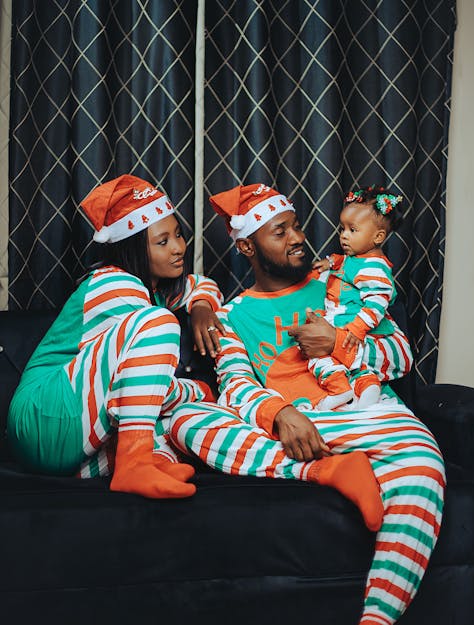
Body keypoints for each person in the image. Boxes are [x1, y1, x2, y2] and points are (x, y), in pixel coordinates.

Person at [168, 183, 445, 625]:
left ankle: (376, 619)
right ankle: (328, 468)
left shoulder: (342, 282)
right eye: (280, 232)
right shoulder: (231, 317)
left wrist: (338, 341)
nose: (298, 237)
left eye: (296, 226)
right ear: (246, 246)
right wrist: (281, 414)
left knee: (425, 466)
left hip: (366, 415)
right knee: (183, 418)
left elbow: (401, 355)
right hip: (298, 431)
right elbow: (236, 387)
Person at [7, 174, 225, 499]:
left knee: (182, 427)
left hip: (66, 442)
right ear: (133, 247)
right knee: (161, 326)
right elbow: (144, 389)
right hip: (44, 412)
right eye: (162, 241)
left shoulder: (153, 289)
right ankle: (135, 463)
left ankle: (148, 461)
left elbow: (200, 284)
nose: (179, 248)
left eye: (178, 234)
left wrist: (202, 306)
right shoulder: (115, 285)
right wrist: (200, 390)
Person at [307, 185, 409, 411]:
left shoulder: (374, 266)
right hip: (347, 324)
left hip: (358, 328)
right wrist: (331, 262)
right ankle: (368, 387)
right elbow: (348, 263)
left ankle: (339, 390)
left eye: (352, 230)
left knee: (320, 358)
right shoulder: (359, 258)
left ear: (378, 236)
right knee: (353, 366)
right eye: (342, 228)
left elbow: (377, 302)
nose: (343, 235)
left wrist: (357, 328)